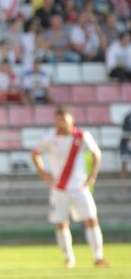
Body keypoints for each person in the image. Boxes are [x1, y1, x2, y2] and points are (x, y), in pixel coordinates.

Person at [30, 108, 108, 269]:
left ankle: (98, 257)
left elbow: (96, 154)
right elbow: (35, 153)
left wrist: (92, 177)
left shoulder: (82, 136)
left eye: (64, 119)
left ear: (71, 120)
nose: (61, 123)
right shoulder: (50, 138)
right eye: (58, 120)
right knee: (61, 223)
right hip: (59, 187)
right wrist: (44, 174)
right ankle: (68, 258)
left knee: (91, 219)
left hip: (79, 187)